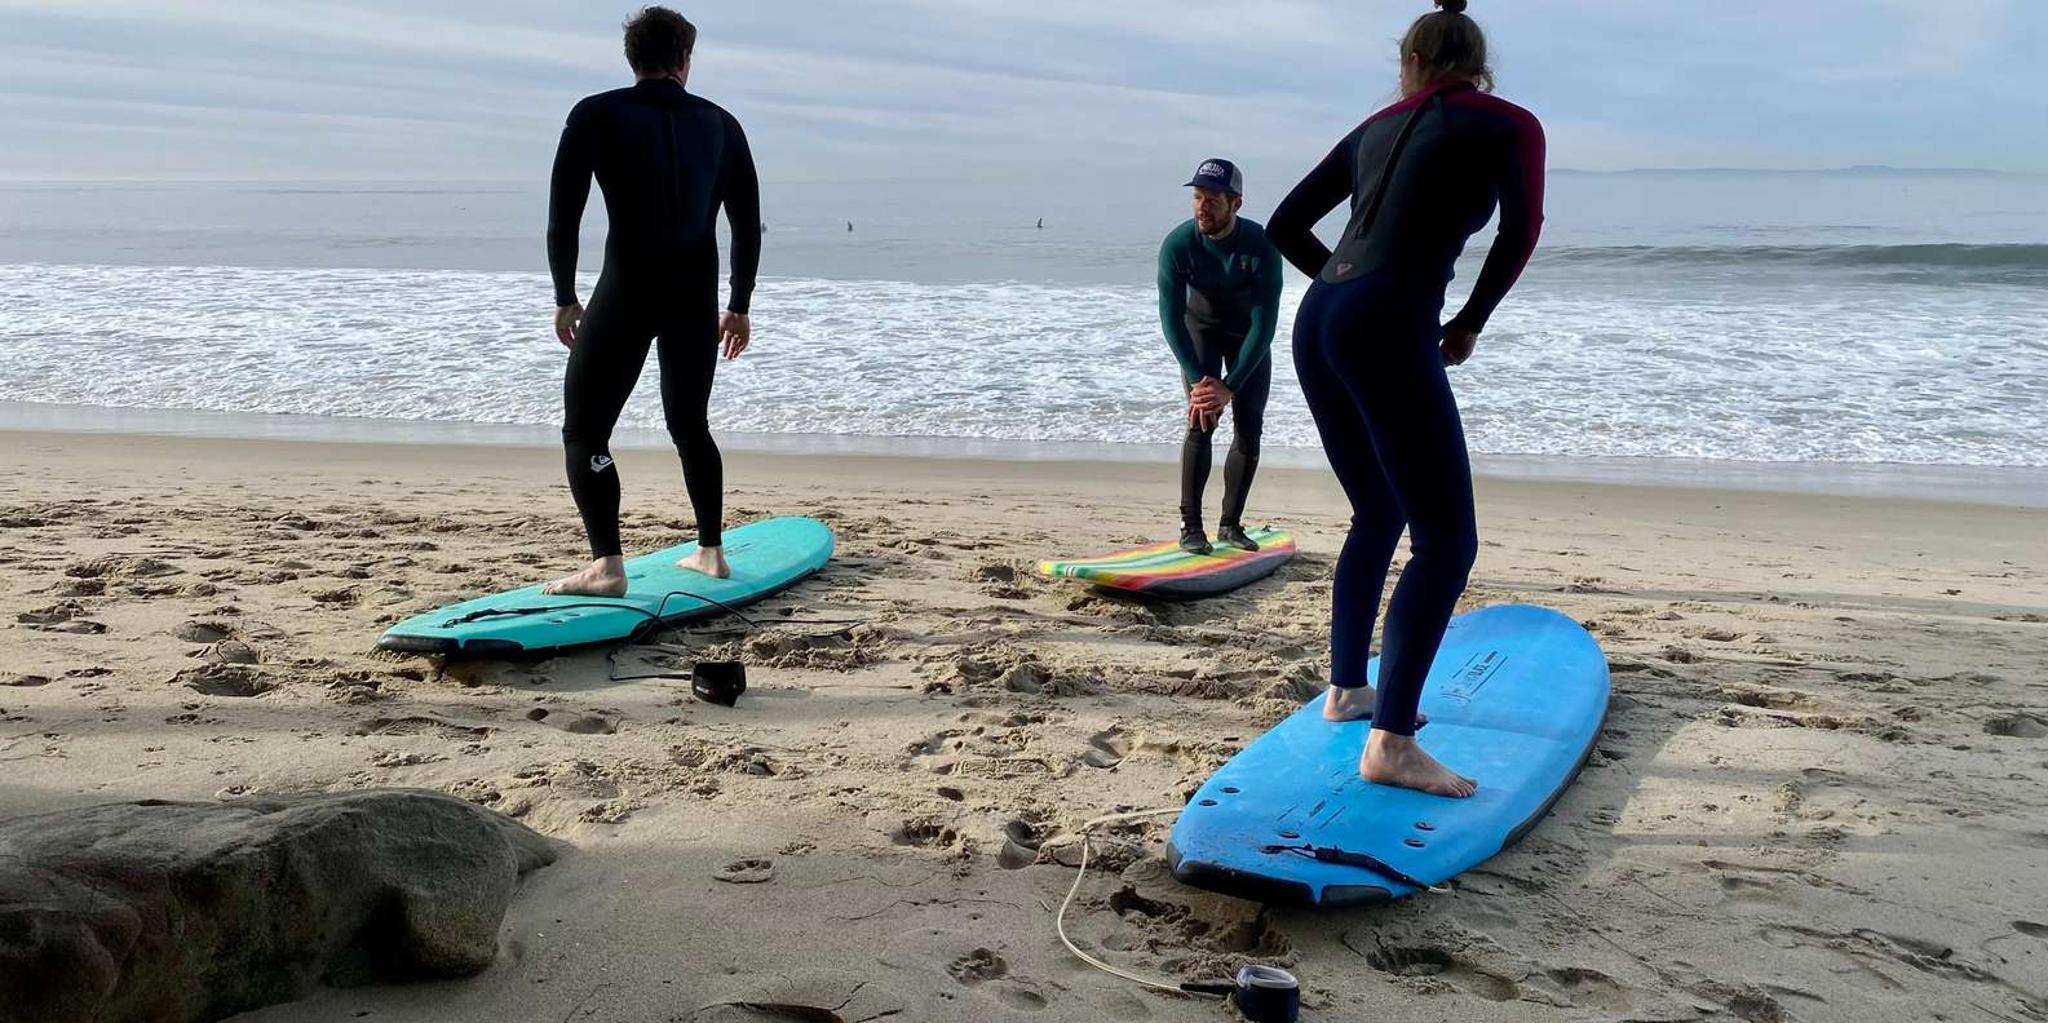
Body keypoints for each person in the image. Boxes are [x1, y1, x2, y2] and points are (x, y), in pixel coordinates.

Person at [1267, 0, 1544, 796]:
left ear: (1411, 61)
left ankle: (1348, 689)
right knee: (1447, 543)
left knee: (1379, 511)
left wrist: (1345, 286)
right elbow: (1520, 232)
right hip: (1384, 322)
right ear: (1477, 63)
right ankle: (1389, 742)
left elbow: (1285, 223)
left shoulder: (1374, 128)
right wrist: (1468, 322)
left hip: (1319, 317)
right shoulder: (1509, 123)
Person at [544, 6, 761, 595]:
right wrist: (739, 305)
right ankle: (711, 552)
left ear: (632, 57)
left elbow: (564, 216)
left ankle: (607, 566)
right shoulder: (722, 124)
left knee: (585, 431)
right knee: (690, 425)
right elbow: (746, 224)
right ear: (684, 57)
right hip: (694, 293)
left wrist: (565, 295)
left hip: (627, 289)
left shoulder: (595, 114)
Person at [1156, 158, 1285, 554]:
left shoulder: (1261, 245)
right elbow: (1171, 320)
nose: (1202, 207)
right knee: (1202, 420)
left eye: (1212, 199)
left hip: (1248, 338)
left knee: (1249, 429)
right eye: (1197, 197)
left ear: (1236, 203)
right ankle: (1191, 526)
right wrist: (1199, 381)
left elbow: (1265, 325)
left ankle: (1230, 525)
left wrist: (1231, 385)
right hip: (1201, 333)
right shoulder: (1178, 245)